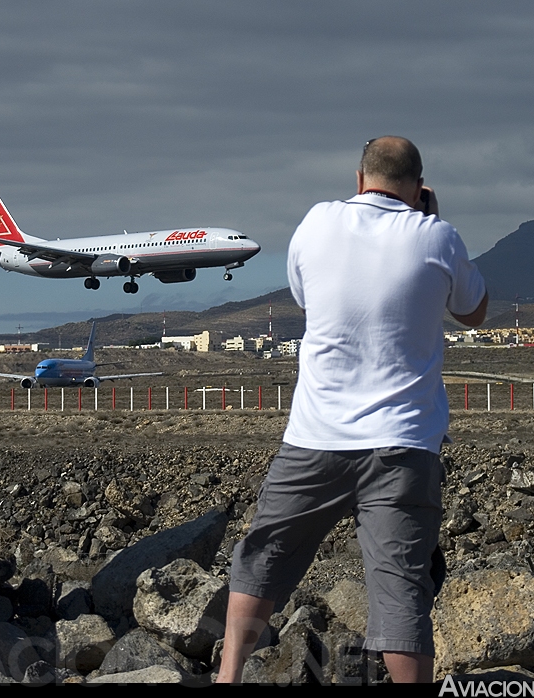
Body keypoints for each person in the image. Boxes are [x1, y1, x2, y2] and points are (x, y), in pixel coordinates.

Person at [216, 136, 487, 683]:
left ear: (359, 178)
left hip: (316, 436)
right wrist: (427, 219)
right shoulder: (437, 235)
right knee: (401, 589)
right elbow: (475, 311)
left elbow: (305, 298)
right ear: (418, 186)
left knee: (262, 561)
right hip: (404, 445)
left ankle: (228, 677)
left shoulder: (315, 223)